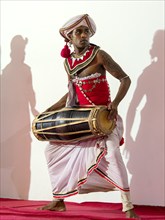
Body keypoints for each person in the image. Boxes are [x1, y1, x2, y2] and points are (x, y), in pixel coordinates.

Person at [39, 14, 138, 218]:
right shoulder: (68, 63)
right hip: (82, 122)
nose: (84, 35)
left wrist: (115, 104)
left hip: (104, 119)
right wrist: (49, 110)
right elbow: (71, 92)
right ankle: (58, 201)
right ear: (69, 38)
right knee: (52, 150)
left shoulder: (99, 55)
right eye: (79, 32)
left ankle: (128, 206)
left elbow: (125, 79)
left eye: (86, 32)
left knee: (112, 152)